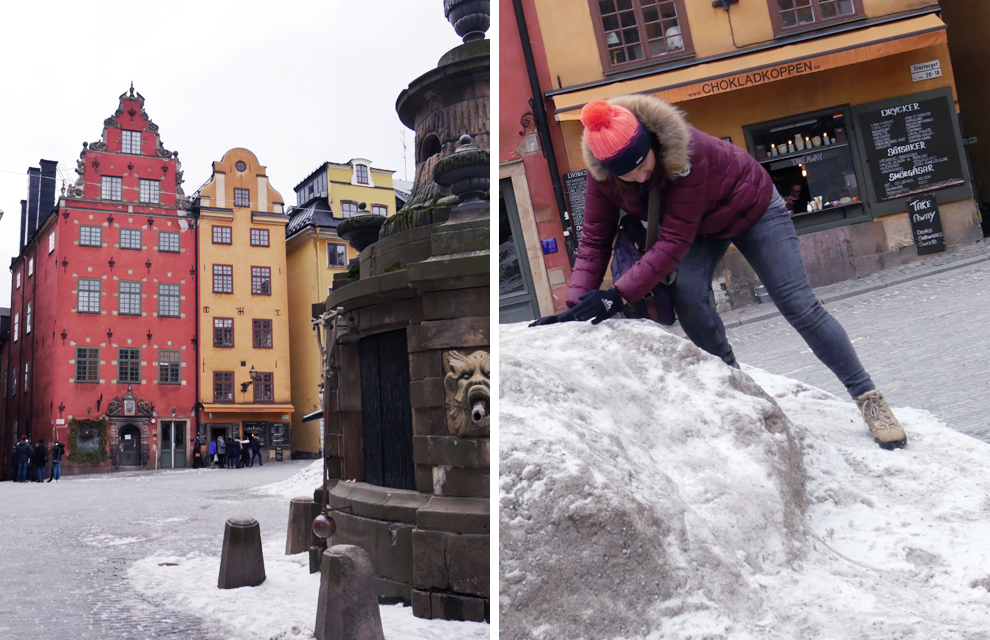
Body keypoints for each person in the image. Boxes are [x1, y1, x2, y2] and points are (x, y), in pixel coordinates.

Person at [533, 95, 906, 450]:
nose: (640, 177)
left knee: (799, 305)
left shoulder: (686, 151)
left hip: (754, 210)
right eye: (627, 175)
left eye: (642, 163)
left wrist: (617, 294)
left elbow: (674, 239)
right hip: (699, 228)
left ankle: (867, 396)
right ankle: (736, 386)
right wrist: (577, 305)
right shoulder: (604, 176)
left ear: (651, 142)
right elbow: (595, 238)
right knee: (688, 297)